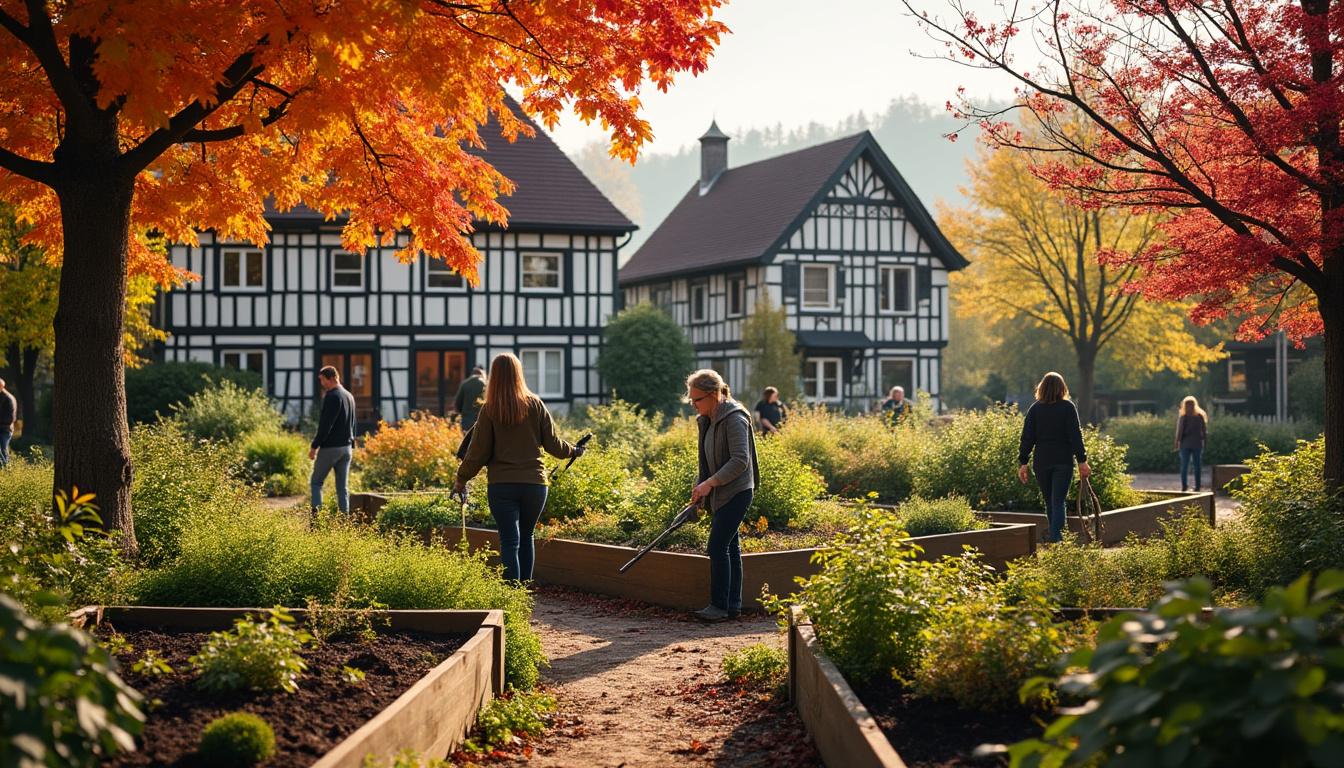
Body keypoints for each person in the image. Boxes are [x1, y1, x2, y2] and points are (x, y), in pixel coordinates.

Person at [453, 353, 583, 582]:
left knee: (509, 541)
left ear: (494, 376)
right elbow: (554, 445)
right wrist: (574, 450)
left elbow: (477, 453)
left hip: (501, 485)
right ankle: (525, 591)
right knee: (526, 537)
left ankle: (512, 593)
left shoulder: (489, 410)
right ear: (518, 373)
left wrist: (461, 479)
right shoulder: (535, 404)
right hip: (535, 485)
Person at [688, 369, 760, 622]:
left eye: (697, 399)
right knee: (730, 547)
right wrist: (700, 485)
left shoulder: (734, 418)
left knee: (717, 547)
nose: (693, 405)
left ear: (714, 395)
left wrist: (710, 483)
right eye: (691, 400)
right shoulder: (708, 419)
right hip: (721, 492)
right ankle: (732, 606)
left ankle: (718, 606)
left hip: (737, 491)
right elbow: (707, 461)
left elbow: (740, 460)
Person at [1017, 372, 1091, 543]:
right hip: (1063, 461)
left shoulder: (1035, 409)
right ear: (1062, 388)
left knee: (1050, 501)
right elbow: (1075, 436)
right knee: (1058, 501)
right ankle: (1057, 539)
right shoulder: (1068, 407)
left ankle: (1055, 537)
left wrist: (1023, 463)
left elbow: (1027, 438)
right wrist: (1082, 461)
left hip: (1042, 461)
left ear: (1041, 388)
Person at [309, 365, 356, 517]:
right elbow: (353, 424)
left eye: (323, 380)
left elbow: (325, 426)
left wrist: (314, 446)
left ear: (333, 378)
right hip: (346, 448)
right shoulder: (349, 396)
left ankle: (316, 520)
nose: (322, 384)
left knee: (316, 482)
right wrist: (352, 444)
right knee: (342, 488)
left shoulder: (332, 396)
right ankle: (344, 521)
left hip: (331, 448)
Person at [1174, 395, 1208, 492]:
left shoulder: (1196, 417)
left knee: (1193, 466)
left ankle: (1193, 486)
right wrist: (1177, 442)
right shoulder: (1186, 417)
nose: (1189, 407)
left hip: (1193, 444)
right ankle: (1188, 486)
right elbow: (1179, 431)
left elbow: (1204, 431)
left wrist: (1177, 442)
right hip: (1189, 444)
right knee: (1188, 466)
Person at [454, 365, 487, 430]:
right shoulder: (485, 384)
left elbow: (458, 404)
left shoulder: (465, 384)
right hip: (481, 421)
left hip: (466, 421)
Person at [0, 378, 15, 467]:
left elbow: (10, 418)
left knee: (3, 450)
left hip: (5, 429)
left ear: (1, 387)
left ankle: (6, 469)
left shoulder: (8, 399)